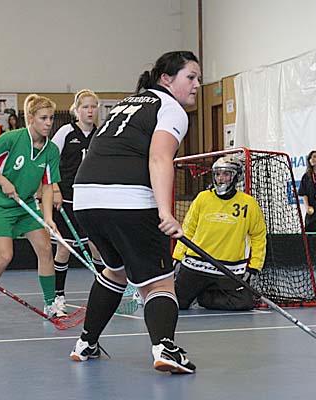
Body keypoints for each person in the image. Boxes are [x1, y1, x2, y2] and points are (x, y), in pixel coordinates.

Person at [70, 51, 201, 374]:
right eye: (190, 77)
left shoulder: (126, 104)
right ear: (166, 79)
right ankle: (165, 348)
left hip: (85, 199)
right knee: (159, 284)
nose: (197, 84)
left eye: (198, 78)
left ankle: (86, 342)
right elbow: (159, 158)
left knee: (115, 270)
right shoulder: (170, 108)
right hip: (127, 199)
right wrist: (166, 213)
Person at [0, 94, 66, 321]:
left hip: (26, 204)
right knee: (4, 256)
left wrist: (48, 218)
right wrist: (3, 181)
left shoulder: (51, 150)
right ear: (31, 118)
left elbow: (48, 186)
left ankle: (51, 304)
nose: (48, 123)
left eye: (51, 118)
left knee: (45, 250)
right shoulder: (12, 139)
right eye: (43, 118)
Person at [172, 155, 267, 311]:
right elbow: (188, 230)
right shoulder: (202, 198)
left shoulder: (249, 203)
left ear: (236, 177)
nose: (221, 178)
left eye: (226, 174)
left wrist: (254, 267)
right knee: (176, 303)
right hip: (196, 265)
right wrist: (177, 257)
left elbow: (258, 236)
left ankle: (204, 297)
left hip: (229, 269)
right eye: (217, 174)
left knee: (245, 303)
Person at [50, 89, 104, 313]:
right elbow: (49, 159)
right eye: (85, 107)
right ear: (76, 110)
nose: (90, 111)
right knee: (64, 249)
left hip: (90, 200)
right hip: (66, 199)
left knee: (97, 247)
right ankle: (58, 296)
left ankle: (103, 293)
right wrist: (54, 188)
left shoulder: (101, 134)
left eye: (93, 107)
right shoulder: (66, 132)